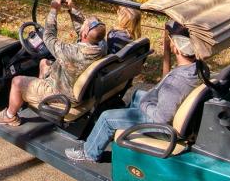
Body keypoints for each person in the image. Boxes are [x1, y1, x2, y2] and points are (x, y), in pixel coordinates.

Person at [64, 21, 201, 163]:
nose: (170, 43)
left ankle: (89, 152)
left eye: (171, 41)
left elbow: (161, 118)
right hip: (168, 110)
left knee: (106, 117)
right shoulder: (195, 68)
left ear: (177, 49)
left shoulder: (177, 82)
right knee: (136, 94)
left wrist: (145, 104)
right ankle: (115, 132)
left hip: (162, 126)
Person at [0, 0, 107, 127]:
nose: (84, 22)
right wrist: (72, 8)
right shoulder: (101, 45)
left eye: (85, 24)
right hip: (72, 84)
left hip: (62, 95)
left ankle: (9, 116)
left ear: (85, 34)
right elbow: (83, 29)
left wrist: (53, 11)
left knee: (17, 82)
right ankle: (38, 100)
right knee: (43, 62)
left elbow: (48, 37)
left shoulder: (72, 53)